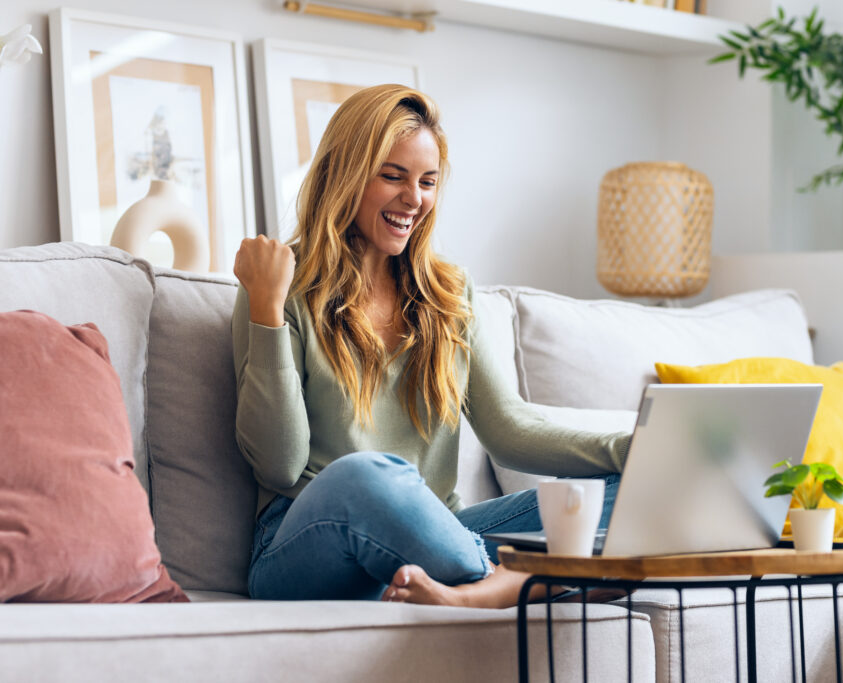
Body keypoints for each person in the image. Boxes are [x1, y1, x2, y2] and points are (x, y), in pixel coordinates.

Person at [232, 84, 631, 608]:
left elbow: (508, 430)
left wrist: (627, 451)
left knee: (617, 493)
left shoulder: (448, 291)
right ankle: (501, 589)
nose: (413, 199)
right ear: (345, 174)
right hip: (304, 546)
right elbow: (280, 466)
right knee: (367, 475)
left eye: (427, 182)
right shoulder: (279, 283)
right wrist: (267, 311)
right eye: (392, 176)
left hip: (434, 537)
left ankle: (470, 584)